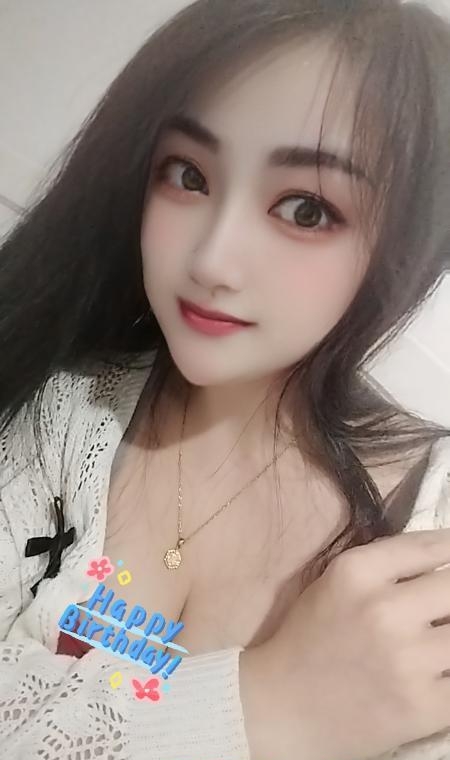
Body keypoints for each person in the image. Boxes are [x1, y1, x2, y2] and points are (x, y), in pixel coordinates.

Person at [1, 0, 450, 758]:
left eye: (306, 209)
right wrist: (269, 708)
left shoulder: (432, 529)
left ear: (407, 246)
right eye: (188, 175)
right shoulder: (57, 406)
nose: (211, 259)